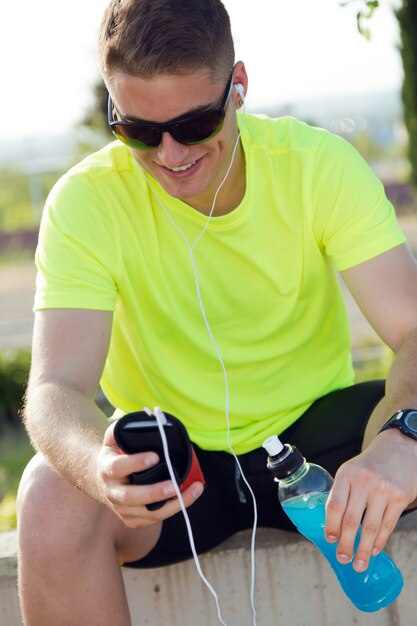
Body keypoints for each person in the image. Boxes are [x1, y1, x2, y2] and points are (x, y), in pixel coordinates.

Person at [17, 0, 417, 624]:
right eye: (139, 132)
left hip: (313, 452)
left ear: (239, 88)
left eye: (196, 122)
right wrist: (99, 469)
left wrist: (402, 436)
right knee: (47, 494)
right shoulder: (85, 202)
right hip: (176, 473)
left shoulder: (316, 165)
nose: (171, 154)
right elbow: (54, 388)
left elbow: (413, 332)